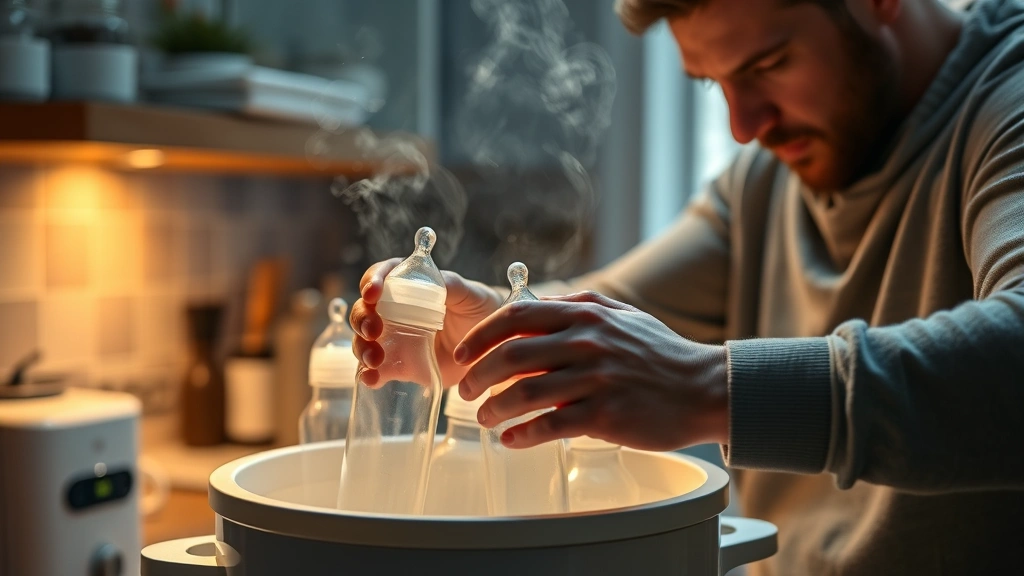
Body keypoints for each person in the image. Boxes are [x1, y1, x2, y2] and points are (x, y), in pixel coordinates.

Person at [352, 0, 1024, 573]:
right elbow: (612, 309)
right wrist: (485, 334)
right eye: (714, 84)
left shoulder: (1006, 104)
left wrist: (707, 387)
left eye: (768, 65)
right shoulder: (764, 181)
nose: (743, 126)